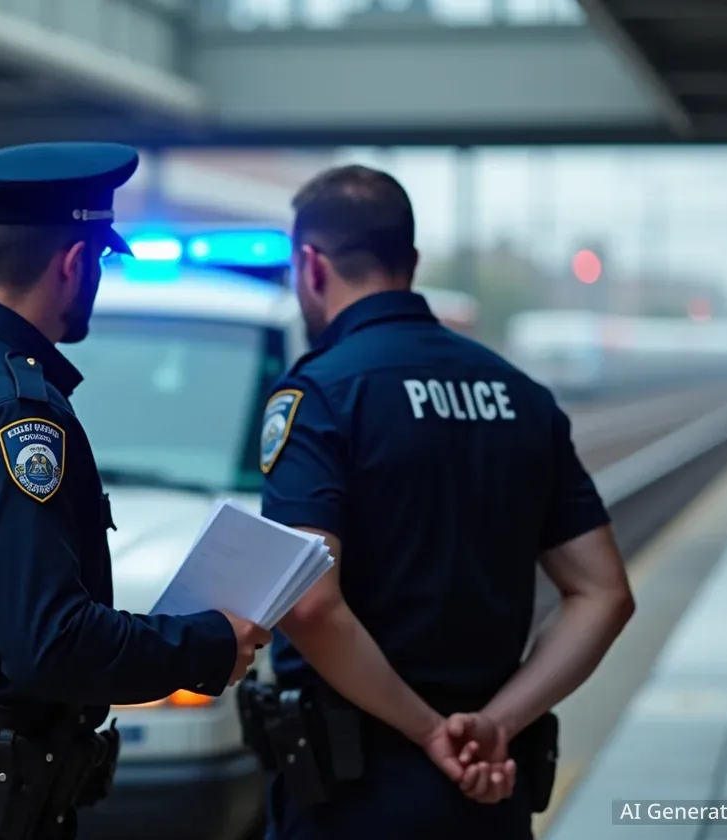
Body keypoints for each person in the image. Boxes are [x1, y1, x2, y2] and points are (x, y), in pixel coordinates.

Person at [0, 142, 271, 840]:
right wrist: (208, 645)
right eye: (98, 259)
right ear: (73, 262)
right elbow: (51, 643)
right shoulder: (19, 413)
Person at [249, 165, 636, 839]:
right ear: (412, 262)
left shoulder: (320, 396)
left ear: (310, 265)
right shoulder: (520, 395)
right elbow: (604, 593)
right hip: (489, 783)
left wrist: (429, 732)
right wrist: (496, 723)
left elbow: (309, 600)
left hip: (352, 796)